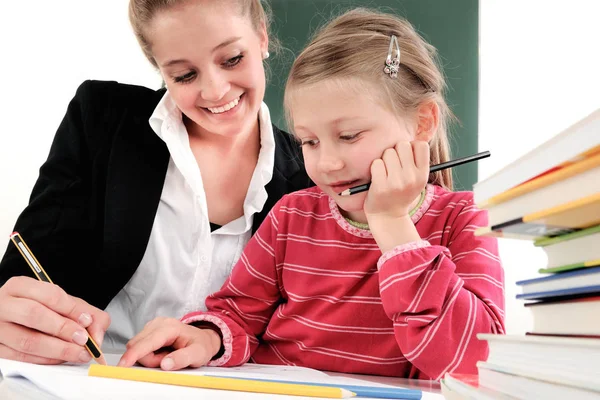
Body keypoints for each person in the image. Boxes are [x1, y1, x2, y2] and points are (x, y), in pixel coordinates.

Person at [119, 7, 506, 380]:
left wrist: (391, 223)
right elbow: (238, 315)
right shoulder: (291, 216)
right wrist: (206, 337)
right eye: (309, 141)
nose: (327, 164)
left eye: (349, 136)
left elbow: (474, 361)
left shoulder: (463, 220)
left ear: (422, 122)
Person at [0, 0, 312, 365]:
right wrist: (15, 314)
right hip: (98, 380)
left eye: (231, 59)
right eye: (184, 75)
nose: (214, 91)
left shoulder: (315, 173)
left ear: (261, 36)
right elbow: (27, 276)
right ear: (160, 69)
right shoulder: (101, 122)